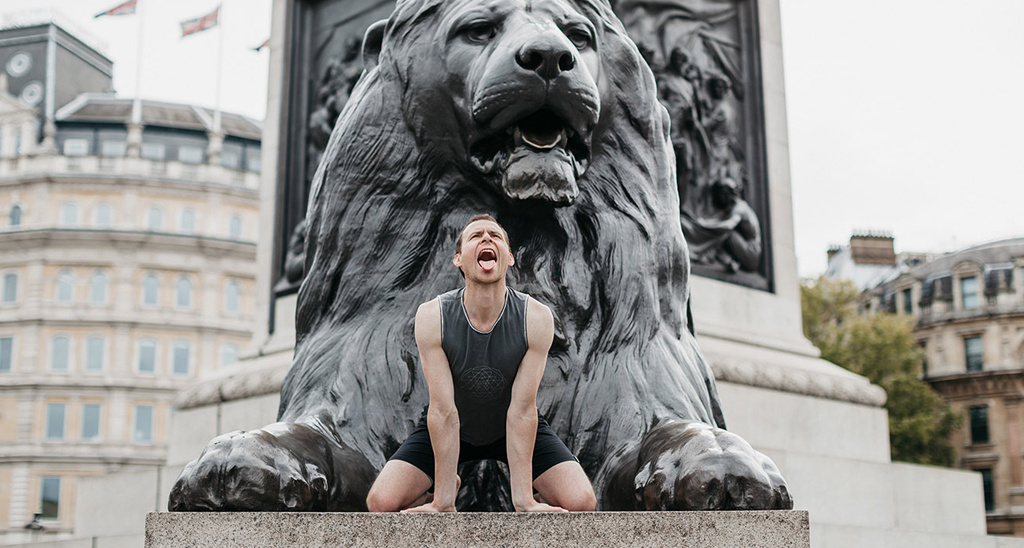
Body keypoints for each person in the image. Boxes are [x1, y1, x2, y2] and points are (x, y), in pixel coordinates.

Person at [366, 214, 597, 513]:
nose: (487, 238)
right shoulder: (432, 316)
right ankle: (443, 482)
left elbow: (522, 410)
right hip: (452, 423)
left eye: (495, 236)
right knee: (380, 503)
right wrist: (442, 501)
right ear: (459, 259)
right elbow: (443, 410)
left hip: (514, 422)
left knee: (581, 502)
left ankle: (537, 496)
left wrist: (524, 501)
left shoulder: (536, 318)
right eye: (476, 236)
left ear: (510, 258)